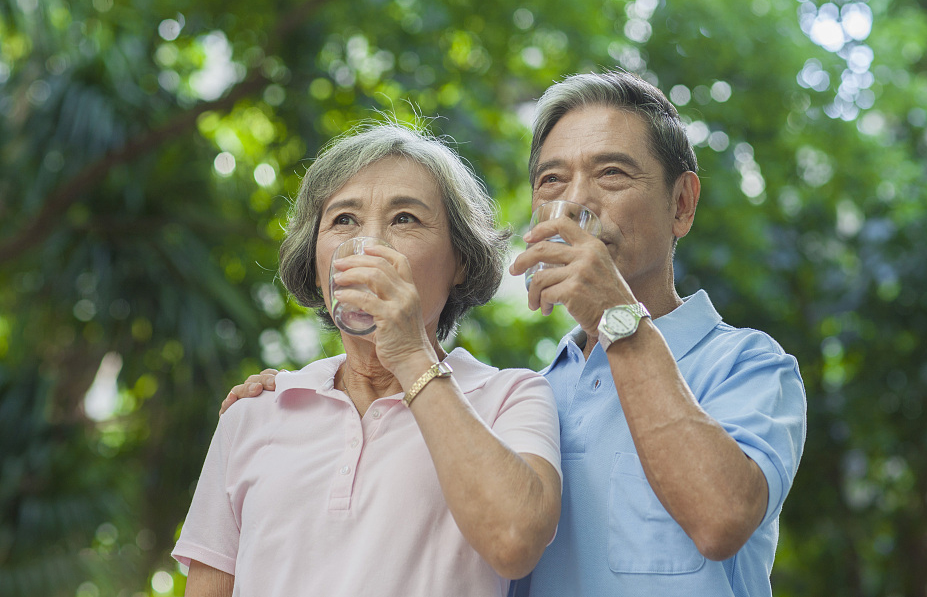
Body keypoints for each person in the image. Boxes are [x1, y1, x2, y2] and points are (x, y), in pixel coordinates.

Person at [224, 72, 806, 597]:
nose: (575, 200)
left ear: (681, 204)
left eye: (611, 173)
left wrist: (618, 317)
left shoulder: (749, 364)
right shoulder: (524, 394)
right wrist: (310, 391)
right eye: (552, 180)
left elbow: (721, 518)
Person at [174, 122, 562, 597]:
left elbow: (514, 542)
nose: (370, 246)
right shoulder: (255, 411)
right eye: (344, 221)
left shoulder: (512, 396)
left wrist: (409, 354)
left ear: (461, 261)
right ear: (317, 267)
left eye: (405, 219)